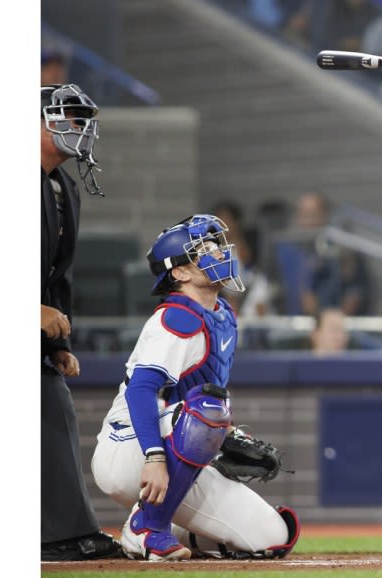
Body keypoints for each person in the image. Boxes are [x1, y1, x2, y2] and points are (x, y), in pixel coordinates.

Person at [90, 214, 301, 560]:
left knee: (272, 537)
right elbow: (141, 391)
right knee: (210, 410)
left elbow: (199, 393)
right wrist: (154, 456)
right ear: (180, 272)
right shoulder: (177, 317)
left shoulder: (223, 314)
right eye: (204, 249)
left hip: (172, 444)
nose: (218, 253)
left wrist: (222, 437)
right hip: (129, 449)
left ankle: (162, 523)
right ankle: (147, 527)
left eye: (217, 245)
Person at [41, 83, 120, 561]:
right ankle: (62, 533)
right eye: (67, 116)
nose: (78, 127)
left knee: (53, 404)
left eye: (81, 117)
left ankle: (63, 531)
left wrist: (55, 346)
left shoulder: (60, 187)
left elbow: (55, 274)